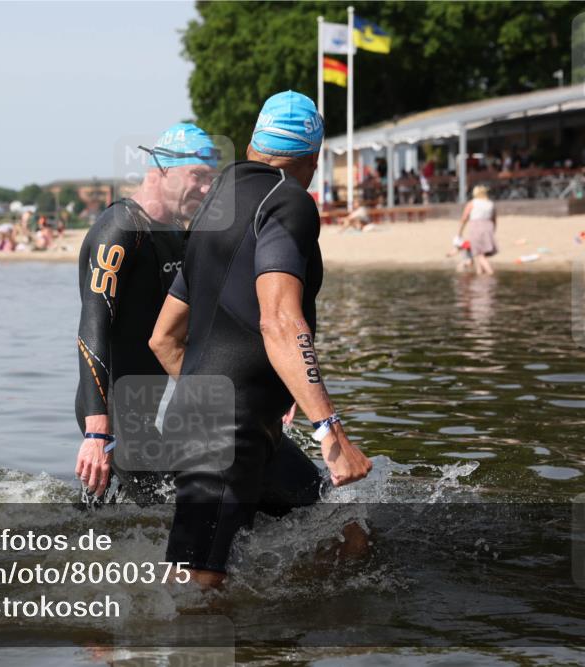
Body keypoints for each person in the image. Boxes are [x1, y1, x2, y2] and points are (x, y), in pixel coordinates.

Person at [148, 91, 372, 586]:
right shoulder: (289, 201)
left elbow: (163, 338)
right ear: (312, 160)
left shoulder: (214, 206)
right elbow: (280, 321)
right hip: (229, 432)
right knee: (195, 593)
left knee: (347, 535)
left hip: (246, 429)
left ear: (253, 143)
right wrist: (330, 432)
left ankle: (280, 637)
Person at [74, 123, 219, 500]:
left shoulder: (173, 231)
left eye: (211, 179)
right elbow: (93, 329)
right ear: (164, 169)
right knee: (168, 511)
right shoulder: (119, 230)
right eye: (198, 176)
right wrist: (96, 431)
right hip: (113, 409)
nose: (207, 189)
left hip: (152, 403)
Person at [457, 185, 497, 275]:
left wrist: (459, 232)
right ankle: (480, 273)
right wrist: (493, 230)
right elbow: (494, 218)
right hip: (488, 226)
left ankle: (490, 272)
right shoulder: (490, 204)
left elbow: (464, 218)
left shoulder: (472, 203)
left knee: (478, 253)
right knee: (481, 252)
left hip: (476, 227)